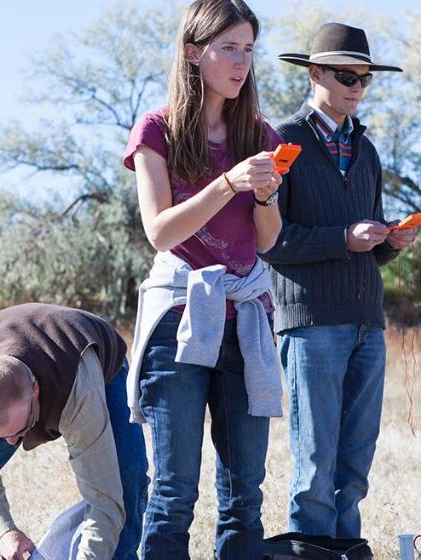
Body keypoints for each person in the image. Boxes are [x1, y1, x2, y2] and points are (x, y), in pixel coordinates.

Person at [121, 1, 285, 558]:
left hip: (247, 320)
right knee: (173, 492)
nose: (242, 63)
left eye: (248, 50)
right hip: (180, 317)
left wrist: (263, 194)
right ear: (194, 52)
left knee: (245, 496)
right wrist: (229, 184)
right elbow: (160, 231)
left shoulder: (260, 132)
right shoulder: (156, 129)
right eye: (229, 48)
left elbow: (265, 240)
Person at [259, 22, 416, 540]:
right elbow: (270, 242)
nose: (356, 87)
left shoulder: (367, 151)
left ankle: (347, 547)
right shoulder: (281, 141)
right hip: (309, 324)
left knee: (354, 458)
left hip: (367, 324)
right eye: (346, 76)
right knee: (314, 458)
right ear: (315, 74)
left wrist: (389, 243)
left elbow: (366, 252)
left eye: (364, 79)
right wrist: (344, 237)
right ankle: (310, 550)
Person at [0, 303, 148, 560]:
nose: (13, 442)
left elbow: (104, 500)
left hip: (96, 366)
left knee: (126, 480)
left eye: (20, 430)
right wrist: (4, 531)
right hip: (15, 383)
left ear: (35, 391)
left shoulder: (78, 390)